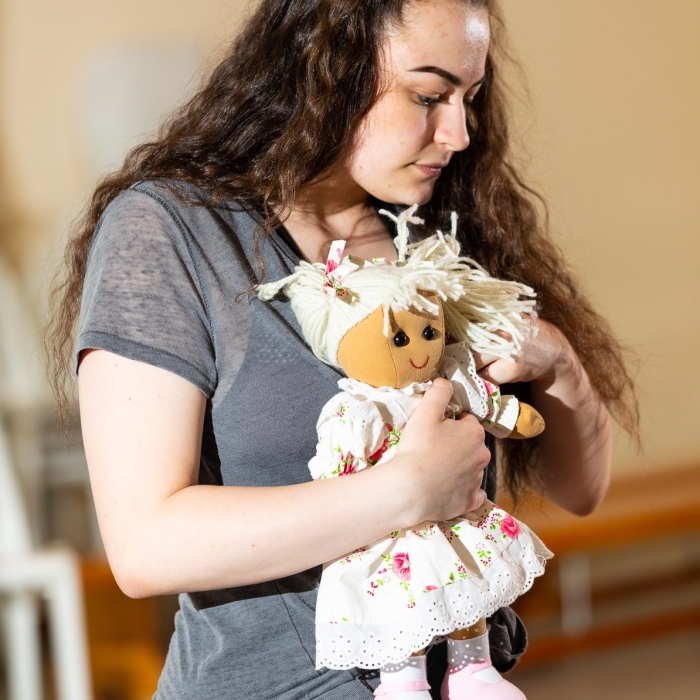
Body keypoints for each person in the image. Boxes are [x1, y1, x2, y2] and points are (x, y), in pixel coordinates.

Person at [46, 1, 637, 698]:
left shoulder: (437, 234)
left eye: (469, 98)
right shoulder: (171, 231)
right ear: (327, 68)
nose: (458, 133)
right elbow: (145, 546)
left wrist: (559, 362)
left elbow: (582, 489)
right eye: (427, 95)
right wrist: (404, 493)